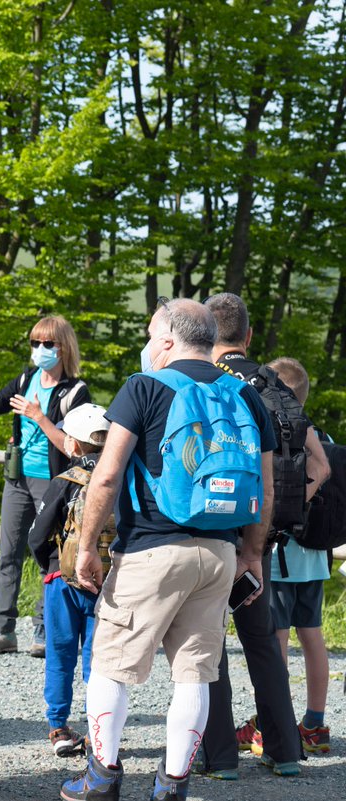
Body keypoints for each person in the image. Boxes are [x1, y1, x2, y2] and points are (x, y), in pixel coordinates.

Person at [60, 298, 275, 801]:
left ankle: (102, 777)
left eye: (152, 335)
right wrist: (251, 554)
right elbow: (263, 489)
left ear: (168, 340)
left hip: (152, 550)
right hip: (219, 554)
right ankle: (172, 784)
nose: (148, 344)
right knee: (195, 673)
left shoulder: (144, 387)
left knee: (112, 664)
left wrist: (88, 546)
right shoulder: (246, 397)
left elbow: (108, 475)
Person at [199, 292, 329, 778]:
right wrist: (279, 518)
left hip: (212, 530)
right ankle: (286, 752)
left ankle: (220, 759)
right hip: (264, 539)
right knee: (263, 648)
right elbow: (316, 463)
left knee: (208, 646)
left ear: (206, 334)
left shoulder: (204, 381)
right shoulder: (273, 383)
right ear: (249, 336)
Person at [0, 316, 90, 657]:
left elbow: (72, 446)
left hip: (53, 482)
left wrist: (39, 416)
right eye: (35, 343)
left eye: (48, 344)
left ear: (64, 347)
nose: (40, 350)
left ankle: (45, 630)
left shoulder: (75, 391)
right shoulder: (24, 379)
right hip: (17, 479)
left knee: (49, 555)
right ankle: (2, 630)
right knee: (9, 553)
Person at [26, 403, 111, 758]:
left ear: (73, 446)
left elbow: (37, 534)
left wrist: (49, 568)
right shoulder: (118, 479)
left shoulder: (65, 482)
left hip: (63, 581)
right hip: (106, 582)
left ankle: (59, 727)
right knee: (98, 658)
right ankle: (98, 731)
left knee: (60, 653)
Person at [264, 357, 332, 756]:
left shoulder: (278, 432)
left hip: (279, 555)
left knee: (277, 642)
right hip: (315, 557)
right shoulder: (318, 434)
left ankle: (276, 724)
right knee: (313, 638)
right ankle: (315, 724)